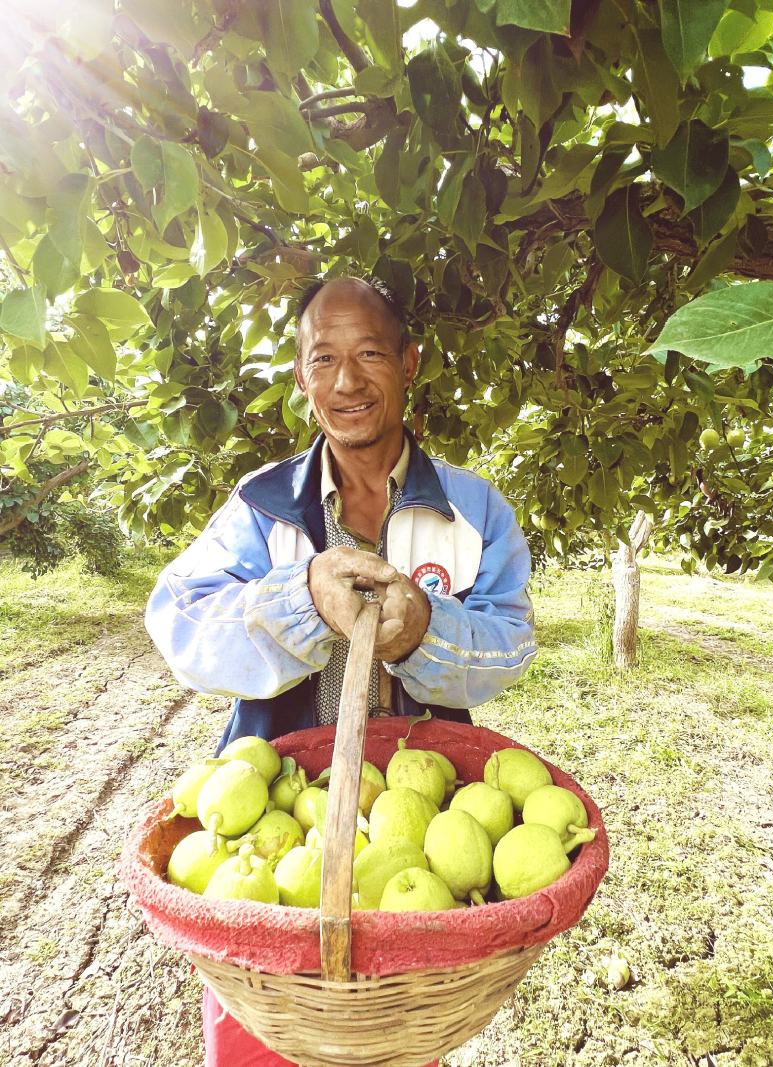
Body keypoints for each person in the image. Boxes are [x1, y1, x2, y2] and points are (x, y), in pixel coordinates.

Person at [145, 275, 537, 1067]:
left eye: (369, 354)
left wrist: (428, 628)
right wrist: (299, 600)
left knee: (391, 1046)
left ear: (410, 362)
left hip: (417, 844)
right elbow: (177, 622)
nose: (346, 381)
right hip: (269, 837)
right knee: (261, 1046)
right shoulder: (259, 508)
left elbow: (510, 643)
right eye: (323, 358)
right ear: (300, 377)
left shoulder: (475, 511)